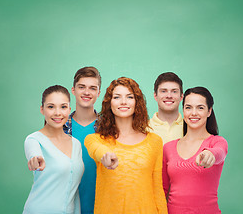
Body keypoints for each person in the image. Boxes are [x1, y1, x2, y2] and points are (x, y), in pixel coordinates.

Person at [84, 77, 168, 214]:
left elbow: (157, 189)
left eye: (129, 97)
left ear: (137, 103)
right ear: (109, 103)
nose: (123, 102)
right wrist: (106, 155)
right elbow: (98, 151)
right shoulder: (95, 140)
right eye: (117, 97)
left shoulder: (155, 141)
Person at [162, 87, 228, 213]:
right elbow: (163, 189)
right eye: (188, 107)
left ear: (209, 111)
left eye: (200, 107)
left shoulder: (216, 142)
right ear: (183, 111)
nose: (193, 113)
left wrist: (210, 154)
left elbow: (219, 152)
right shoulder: (168, 148)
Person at [23, 85, 84, 214]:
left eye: (63, 107)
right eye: (51, 107)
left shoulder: (76, 144)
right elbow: (34, 154)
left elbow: (74, 191)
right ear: (42, 109)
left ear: (69, 109)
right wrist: (35, 159)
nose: (57, 113)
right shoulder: (34, 140)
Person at [63, 66, 101, 214]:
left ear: (98, 92)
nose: (86, 92)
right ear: (73, 90)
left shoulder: (108, 127)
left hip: (102, 206)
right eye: (81, 87)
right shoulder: (60, 125)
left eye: (92, 88)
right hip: (67, 207)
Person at [149, 72, 184, 144]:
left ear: (181, 97)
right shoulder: (144, 128)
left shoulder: (191, 127)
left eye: (174, 91)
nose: (169, 96)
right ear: (155, 96)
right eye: (163, 91)